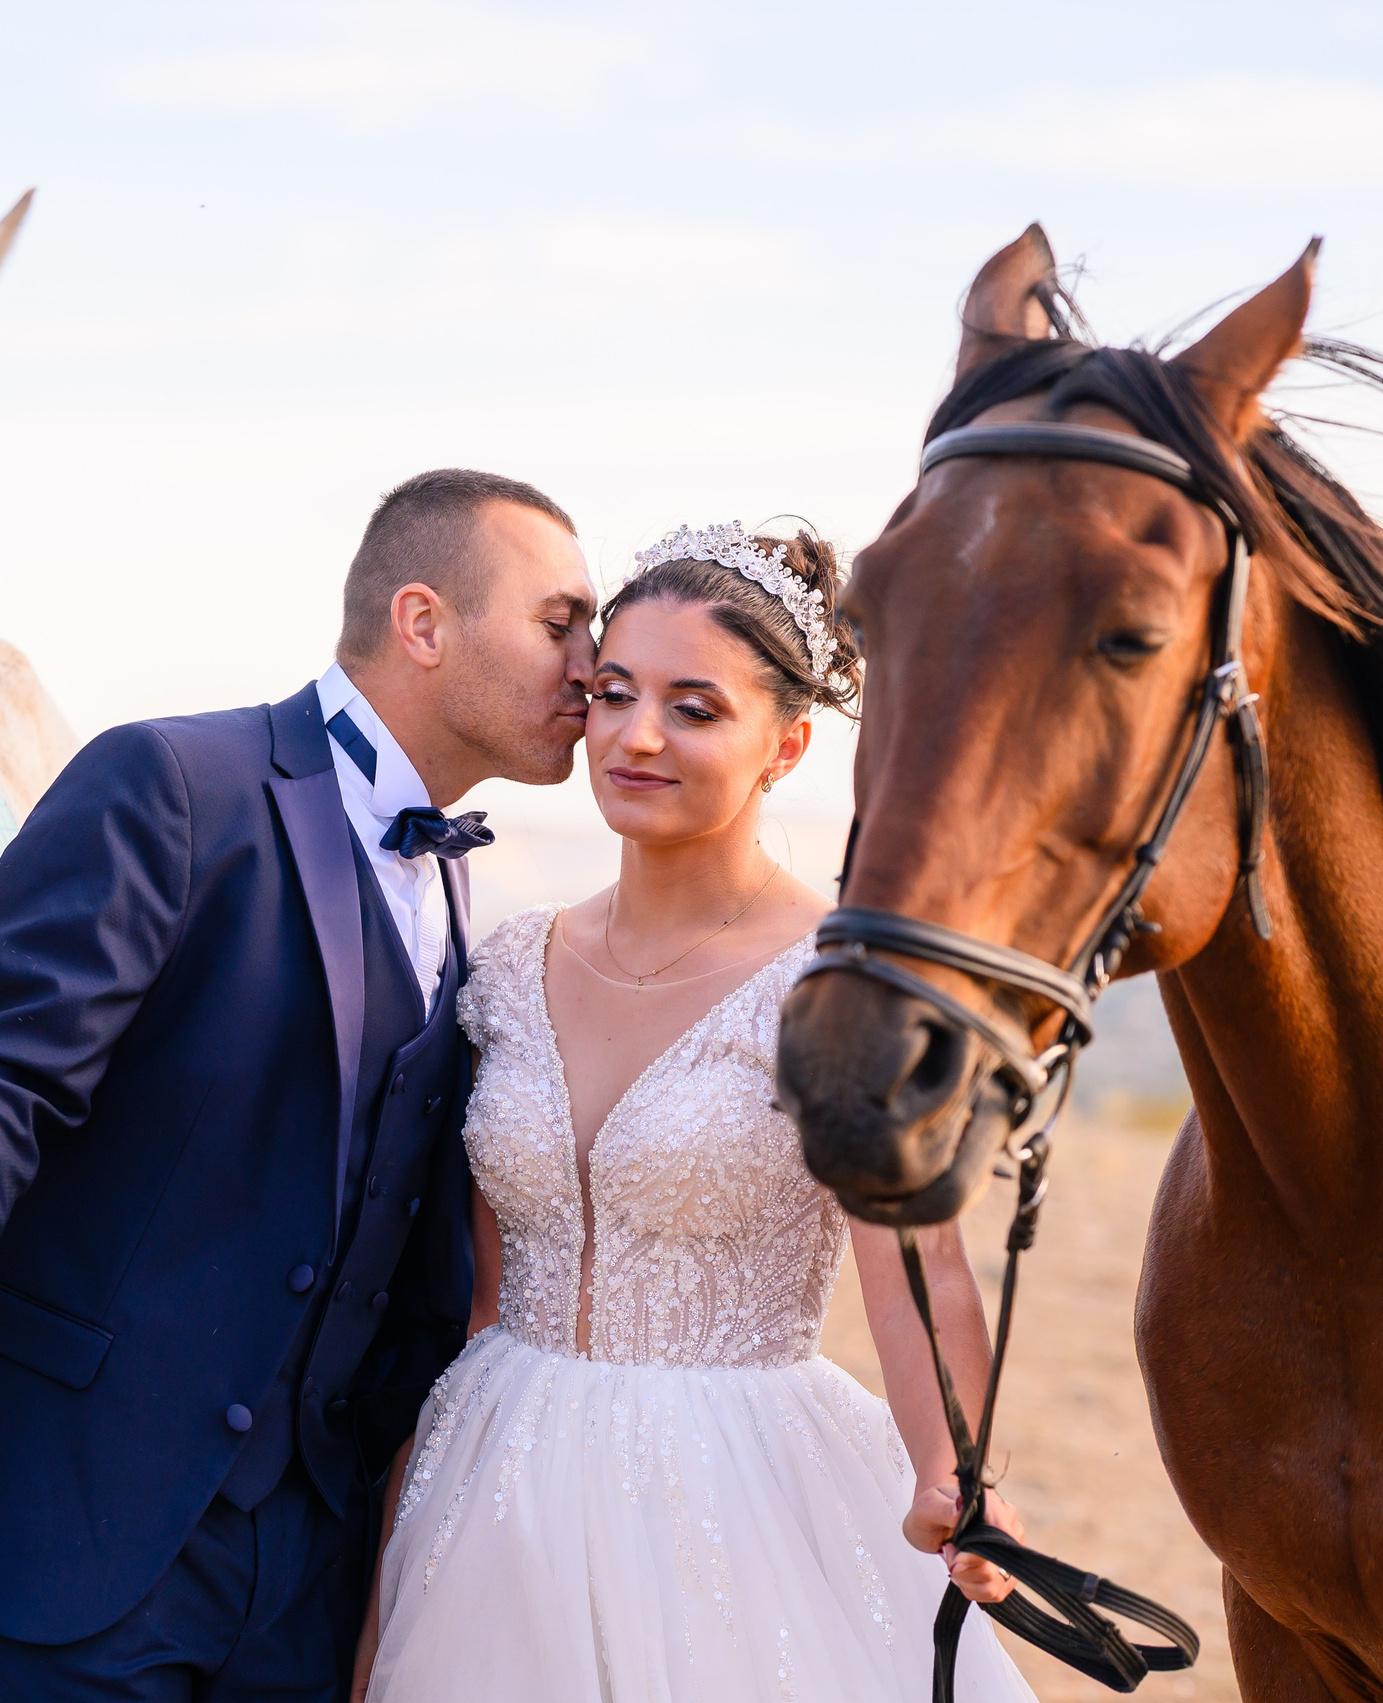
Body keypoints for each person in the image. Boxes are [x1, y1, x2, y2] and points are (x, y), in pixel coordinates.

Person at [0, 469, 599, 1700]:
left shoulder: (458, 890)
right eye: (562, 619)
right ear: (423, 621)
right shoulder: (172, 784)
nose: (592, 663)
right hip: (74, 1522)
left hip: (305, 1568)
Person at [355, 523, 1038, 1701]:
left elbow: (913, 1264)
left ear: (788, 743)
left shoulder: (838, 983)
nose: (637, 735)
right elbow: (473, 1285)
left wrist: (952, 1472)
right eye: (613, 692)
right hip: (487, 1478)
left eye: (695, 707)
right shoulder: (509, 967)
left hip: (735, 1492)